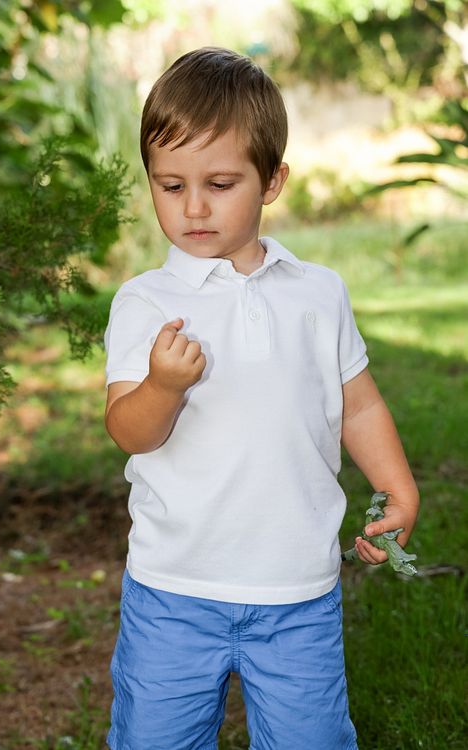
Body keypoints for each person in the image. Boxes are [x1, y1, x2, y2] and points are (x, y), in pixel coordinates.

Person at [103, 47, 419, 750]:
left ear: (273, 180)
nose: (193, 207)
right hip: (174, 589)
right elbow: (129, 431)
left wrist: (397, 487)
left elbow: (359, 404)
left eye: (219, 183)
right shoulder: (145, 302)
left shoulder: (318, 293)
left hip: (295, 591)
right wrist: (162, 386)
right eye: (170, 185)